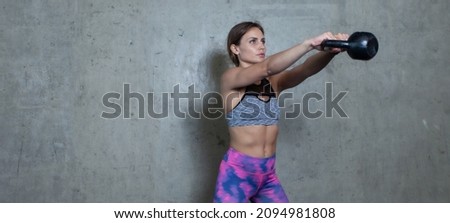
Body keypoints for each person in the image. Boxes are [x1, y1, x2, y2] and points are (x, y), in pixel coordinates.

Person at [213, 21, 349, 203]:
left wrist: (329, 52)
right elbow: (266, 67)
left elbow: (305, 70)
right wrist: (308, 44)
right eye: (253, 41)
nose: (261, 46)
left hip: (267, 174)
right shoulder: (230, 78)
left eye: (263, 41)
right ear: (235, 49)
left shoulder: (273, 82)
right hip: (237, 175)